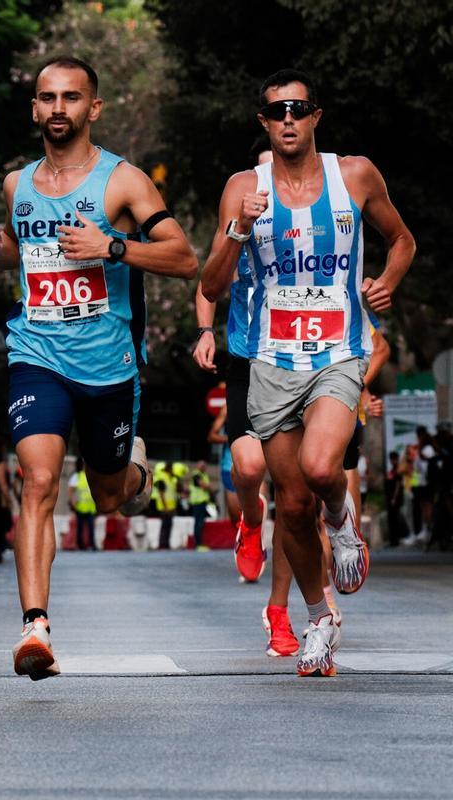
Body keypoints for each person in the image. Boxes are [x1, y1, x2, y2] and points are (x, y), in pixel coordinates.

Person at [0, 55, 196, 680]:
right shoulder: (16, 185)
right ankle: (34, 627)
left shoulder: (123, 182)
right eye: (48, 97)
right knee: (38, 481)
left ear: (93, 108)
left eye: (71, 97)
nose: (58, 108)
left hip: (107, 364)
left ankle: (134, 469)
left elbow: (184, 259)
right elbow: (29, 249)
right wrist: (1, 253)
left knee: (110, 496)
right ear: (34, 108)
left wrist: (112, 246)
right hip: (36, 353)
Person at [199, 69, 415, 677]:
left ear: (317, 116)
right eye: (277, 111)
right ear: (264, 123)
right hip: (270, 361)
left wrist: (387, 283)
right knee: (291, 507)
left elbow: (402, 240)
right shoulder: (243, 187)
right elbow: (211, 285)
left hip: (339, 353)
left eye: (299, 108)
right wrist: (239, 229)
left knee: (322, 469)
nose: (289, 119)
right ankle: (319, 618)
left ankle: (343, 524)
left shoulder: (356, 176)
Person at [193, 140, 274, 583]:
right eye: (261, 175)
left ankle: (315, 601)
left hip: (304, 360)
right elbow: (209, 281)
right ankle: (251, 522)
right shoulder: (236, 223)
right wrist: (206, 332)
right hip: (248, 355)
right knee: (249, 465)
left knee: (304, 486)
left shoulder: (314, 220)